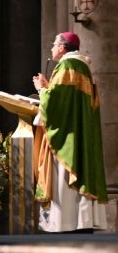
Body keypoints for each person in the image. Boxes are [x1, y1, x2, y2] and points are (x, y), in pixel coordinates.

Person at [32, 31, 109, 232]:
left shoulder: (68, 65)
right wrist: (50, 87)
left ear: (62, 47)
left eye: (54, 44)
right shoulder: (83, 66)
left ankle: (67, 222)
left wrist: (41, 89)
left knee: (64, 180)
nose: (51, 48)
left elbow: (56, 103)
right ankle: (81, 221)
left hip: (68, 134)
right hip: (78, 130)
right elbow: (67, 99)